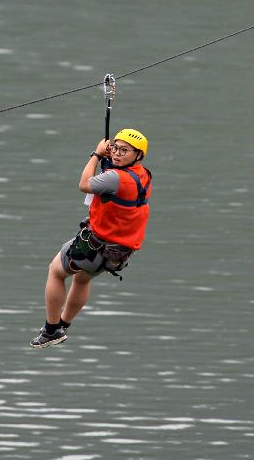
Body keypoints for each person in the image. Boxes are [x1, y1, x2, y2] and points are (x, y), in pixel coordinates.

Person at [29, 128, 152, 348]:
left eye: (124, 150)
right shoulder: (143, 175)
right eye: (115, 147)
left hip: (96, 245)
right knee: (82, 278)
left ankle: (50, 329)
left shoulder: (116, 178)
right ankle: (63, 325)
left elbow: (85, 184)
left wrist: (96, 155)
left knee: (56, 271)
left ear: (138, 155)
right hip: (118, 252)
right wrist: (109, 162)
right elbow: (115, 186)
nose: (117, 154)